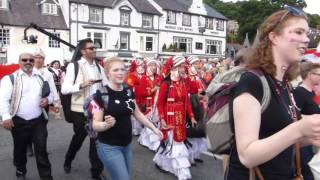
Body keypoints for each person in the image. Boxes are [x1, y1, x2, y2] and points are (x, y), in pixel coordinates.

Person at [226, 6, 320, 180]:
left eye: (307, 34)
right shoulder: (252, 82)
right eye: (299, 32)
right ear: (274, 37)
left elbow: (279, 138)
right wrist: (299, 129)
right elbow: (247, 155)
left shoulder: (284, 84)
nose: (306, 39)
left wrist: (310, 135)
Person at [91, 57, 163, 180]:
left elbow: (137, 113)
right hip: (109, 147)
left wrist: (154, 128)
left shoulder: (128, 91)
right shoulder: (100, 95)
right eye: (116, 70)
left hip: (127, 145)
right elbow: (95, 124)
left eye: (123, 69)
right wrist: (105, 125)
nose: (120, 73)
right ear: (108, 73)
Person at [0, 53, 53, 180]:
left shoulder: (40, 77)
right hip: (19, 121)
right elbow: (3, 99)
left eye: (31, 60)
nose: (28, 62)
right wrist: (6, 117)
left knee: (41, 150)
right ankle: (20, 170)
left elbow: (49, 94)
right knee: (20, 149)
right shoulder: (10, 78)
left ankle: (46, 176)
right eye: (24, 60)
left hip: (38, 121)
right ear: (19, 62)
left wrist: (47, 100)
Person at [61, 38, 106, 180]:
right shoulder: (74, 66)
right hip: (80, 110)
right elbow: (64, 89)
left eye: (94, 48)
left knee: (96, 140)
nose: (94, 50)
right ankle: (68, 159)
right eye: (91, 48)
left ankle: (96, 171)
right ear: (82, 51)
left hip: (97, 110)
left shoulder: (99, 67)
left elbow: (105, 85)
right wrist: (81, 85)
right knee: (79, 138)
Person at [153, 56, 197, 180]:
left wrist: (191, 116)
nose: (184, 69)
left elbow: (187, 102)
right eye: (181, 66)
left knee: (173, 142)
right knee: (173, 142)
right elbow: (160, 103)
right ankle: (182, 173)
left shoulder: (183, 83)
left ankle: (161, 162)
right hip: (169, 117)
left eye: (184, 66)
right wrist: (162, 118)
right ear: (174, 68)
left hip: (180, 117)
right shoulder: (165, 84)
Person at [293, 62, 320, 180]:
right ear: (310, 75)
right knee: (308, 173)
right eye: (319, 74)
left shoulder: (311, 92)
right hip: (303, 143)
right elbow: (294, 116)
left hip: (310, 142)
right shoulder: (299, 92)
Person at [186, 56, 208, 165]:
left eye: (197, 63)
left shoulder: (198, 77)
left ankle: (196, 154)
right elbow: (188, 95)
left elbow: (202, 90)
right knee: (192, 133)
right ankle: (190, 156)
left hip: (200, 106)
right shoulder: (188, 78)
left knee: (199, 132)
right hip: (193, 106)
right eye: (194, 64)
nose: (197, 65)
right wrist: (199, 96)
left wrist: (205, 95)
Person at [137, 58, 162, 151]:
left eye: (155, 65)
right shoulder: (143, 78)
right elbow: (141, 92)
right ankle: (154, 144)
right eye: (151, 65)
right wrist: (153, 90)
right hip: (148, 104)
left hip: (157, 104)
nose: (154, 67)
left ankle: (144, 140)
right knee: (149, 122)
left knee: (154, 122)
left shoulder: (158, 77)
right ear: (147, 66)